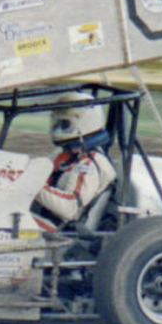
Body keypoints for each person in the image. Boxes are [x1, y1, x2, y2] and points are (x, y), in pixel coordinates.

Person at [32, 92, 118, 232]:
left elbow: (70, 209)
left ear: (83, 123)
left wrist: (32, 184)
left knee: (0, 220)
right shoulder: (63, 155)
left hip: (62, 231)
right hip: (44, 219)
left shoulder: (91, 164)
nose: (58, 128)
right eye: (57, 123)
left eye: (64, 124)